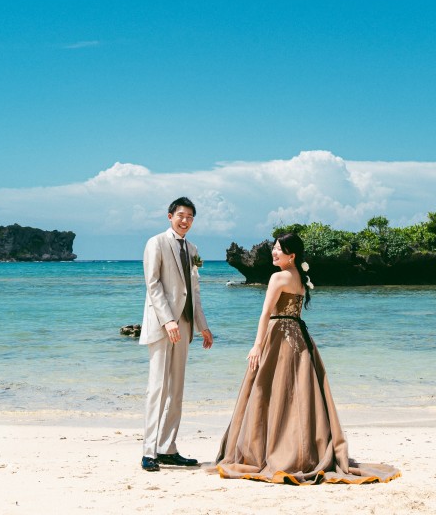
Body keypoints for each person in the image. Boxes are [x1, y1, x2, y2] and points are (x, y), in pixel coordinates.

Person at [212, 231, 398, 485]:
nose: (274, 252)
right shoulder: (299, 277)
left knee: (271, 393)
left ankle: (271, 450)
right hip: (299, 338)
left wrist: (257, 345)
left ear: (292, 255)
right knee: (296, 395)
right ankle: (300, 449)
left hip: (278, 336)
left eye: (279, 249)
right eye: (274, 247)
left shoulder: (278, 277)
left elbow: (265, 314)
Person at [140, 196, 213, 472]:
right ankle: (149, 451)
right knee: (157, 387)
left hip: (184, 325)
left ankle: (168, 448)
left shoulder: (192, 248)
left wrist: (202, 325)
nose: (185, 220)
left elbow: (193, 292)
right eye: (181, 215)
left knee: (177, 389)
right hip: (163, 325)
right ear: (170, 216)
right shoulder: (156, 242)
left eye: (190, 217)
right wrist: (168, 320)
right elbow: (153, 284)